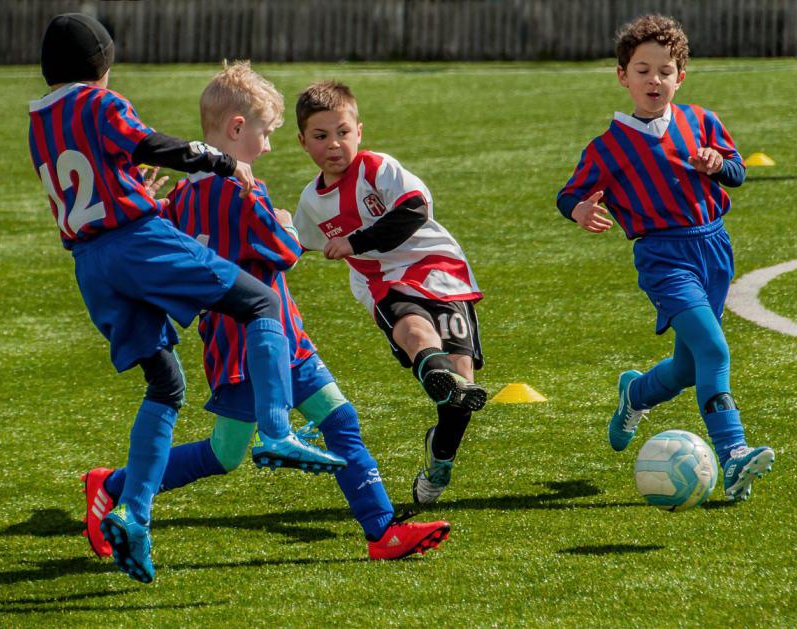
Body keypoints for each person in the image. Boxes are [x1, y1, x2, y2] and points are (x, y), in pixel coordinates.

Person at [85, 62, 452, 561]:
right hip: (258, 345)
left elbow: (165, 233)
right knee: (228, 452)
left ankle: (382, 531)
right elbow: (285, 250)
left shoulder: (185, 194)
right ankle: (114, 484)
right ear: (238, 129)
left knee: (333, 421)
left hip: (248, 342)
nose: (268, 147)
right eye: (266, 133)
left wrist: (150, 202)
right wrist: (285, 221)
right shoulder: (242, 190)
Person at [29, 13, 344, 583]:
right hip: (136, 242)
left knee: (166, 384)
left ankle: (132, 513)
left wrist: (130, 189)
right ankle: (277, 430)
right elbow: (149, 144)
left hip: (90, 263)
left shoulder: (39, 120)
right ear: (102, 65)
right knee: (260, 303)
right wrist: (221, 160)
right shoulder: (98, 102)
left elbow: (90, 180)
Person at [556, 14, 774, 502]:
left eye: (665, 71)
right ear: (622, 76)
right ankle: (734, 454)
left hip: (714, 248)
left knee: (689, 367)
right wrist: (580, 209)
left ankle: (635, 395)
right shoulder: (607, 148)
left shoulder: (701, 121)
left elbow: (737, 171)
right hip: (663, 258)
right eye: (642, 70)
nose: (654, 80)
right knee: (714, 351)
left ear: (681, 76)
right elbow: (568, 194)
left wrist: (719, 165)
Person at [292, 81, 487, 508]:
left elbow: (414, 210)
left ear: (359, 131)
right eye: (321, 136)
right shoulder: (311, 202)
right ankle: (436, 374)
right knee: (414, 330)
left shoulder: (377, 168)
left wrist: (355, 241)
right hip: (382, 281)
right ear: (302, 141)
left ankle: (440, 454)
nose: (333, 144)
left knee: (462, 389)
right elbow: (294, 245)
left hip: (441, 270)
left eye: (343, 132)